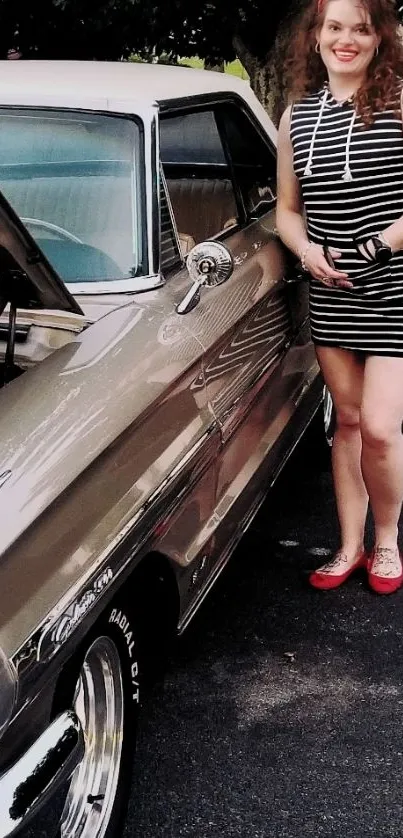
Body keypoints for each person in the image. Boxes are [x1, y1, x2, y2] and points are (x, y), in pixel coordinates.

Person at [276, 0, 403, 594]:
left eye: (360, 28)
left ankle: (386, 540)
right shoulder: (295, 118)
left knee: (379, 426)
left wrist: (377, 246)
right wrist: (306, 254)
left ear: (379, 37)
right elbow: (287, 210)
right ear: (317, 35)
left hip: (393, 285)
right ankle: (350, 544)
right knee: (346, 422)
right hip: (331, 289)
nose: (345, 39)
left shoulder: (401, 104)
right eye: (335, 27)